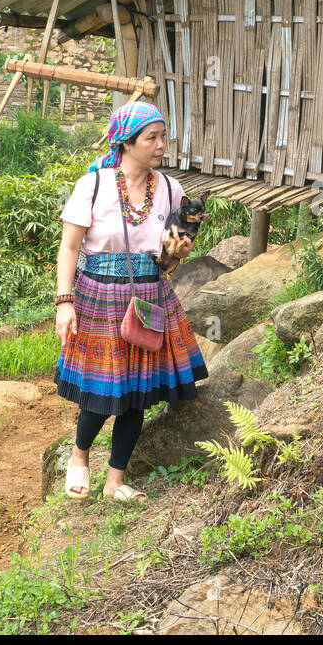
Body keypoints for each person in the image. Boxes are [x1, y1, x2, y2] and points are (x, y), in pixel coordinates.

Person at [52, 101, 208, 501]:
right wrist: (64, 302)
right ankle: (79, 458)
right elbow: (69, 247)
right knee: (102, 389)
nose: (160, 145)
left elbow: (168, 259)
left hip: (149, 297)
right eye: (151, 137)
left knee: (138, 391)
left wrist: (177, 253)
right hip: (99, 297)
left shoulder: (171, 190)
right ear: (126, 142)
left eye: (162, 136)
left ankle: (115, 481)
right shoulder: (96, 184)